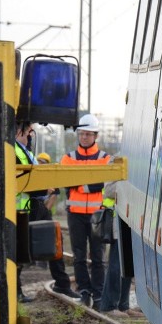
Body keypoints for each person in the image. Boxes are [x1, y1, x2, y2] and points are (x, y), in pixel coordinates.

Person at [15, 121, 80, 302]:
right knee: (19, 252)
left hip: (36, 207)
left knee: (55, 243)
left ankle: (62, 284)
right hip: (22, 210)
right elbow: (21, 180)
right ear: (18, 131)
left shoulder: (23, 150)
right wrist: (45, 189)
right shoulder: (13, 151)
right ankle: (16, 292)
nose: (30, 135)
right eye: (29, 131)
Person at [60, 114, 111, 309]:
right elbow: (65, 182)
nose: (84, 138)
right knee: (79, 256)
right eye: (82, 134)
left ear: (95, 136)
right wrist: (90, 184)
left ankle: (98, 295)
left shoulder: (105, 159)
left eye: (88, 134)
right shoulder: (68, 158)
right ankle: (84, 292)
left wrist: (83, 186)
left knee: (98, 257)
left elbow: (106, 183)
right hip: (75, 214)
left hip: (97, 215)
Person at [98, 180, 139, 318]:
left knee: (127, 264)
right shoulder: (116, 161)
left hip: (131, 222)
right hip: (118, 224)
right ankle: (108, 305)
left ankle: (123, 305)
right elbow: (108, 191)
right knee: (115, 265)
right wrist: (130, 187)